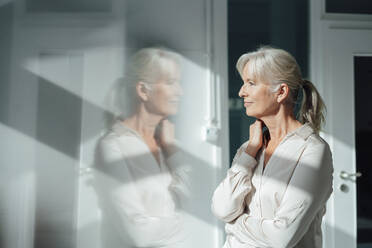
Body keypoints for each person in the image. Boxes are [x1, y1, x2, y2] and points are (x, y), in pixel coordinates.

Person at [211, 47, 333, 248]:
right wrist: (250, 152)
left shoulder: (312, 150)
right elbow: (222, 208)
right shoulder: (249, 148)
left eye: (251, 83)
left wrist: (233, 223)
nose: (242, 92)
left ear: (281, 92)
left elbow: (282, 236)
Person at [94, 47, 189, 248]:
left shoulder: (166, 143)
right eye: (171, 83)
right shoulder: (113, 146)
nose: (180, 92)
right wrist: (178, 224)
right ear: (143, 90)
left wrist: (171, 150)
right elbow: (139, 234)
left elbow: (191, 199)